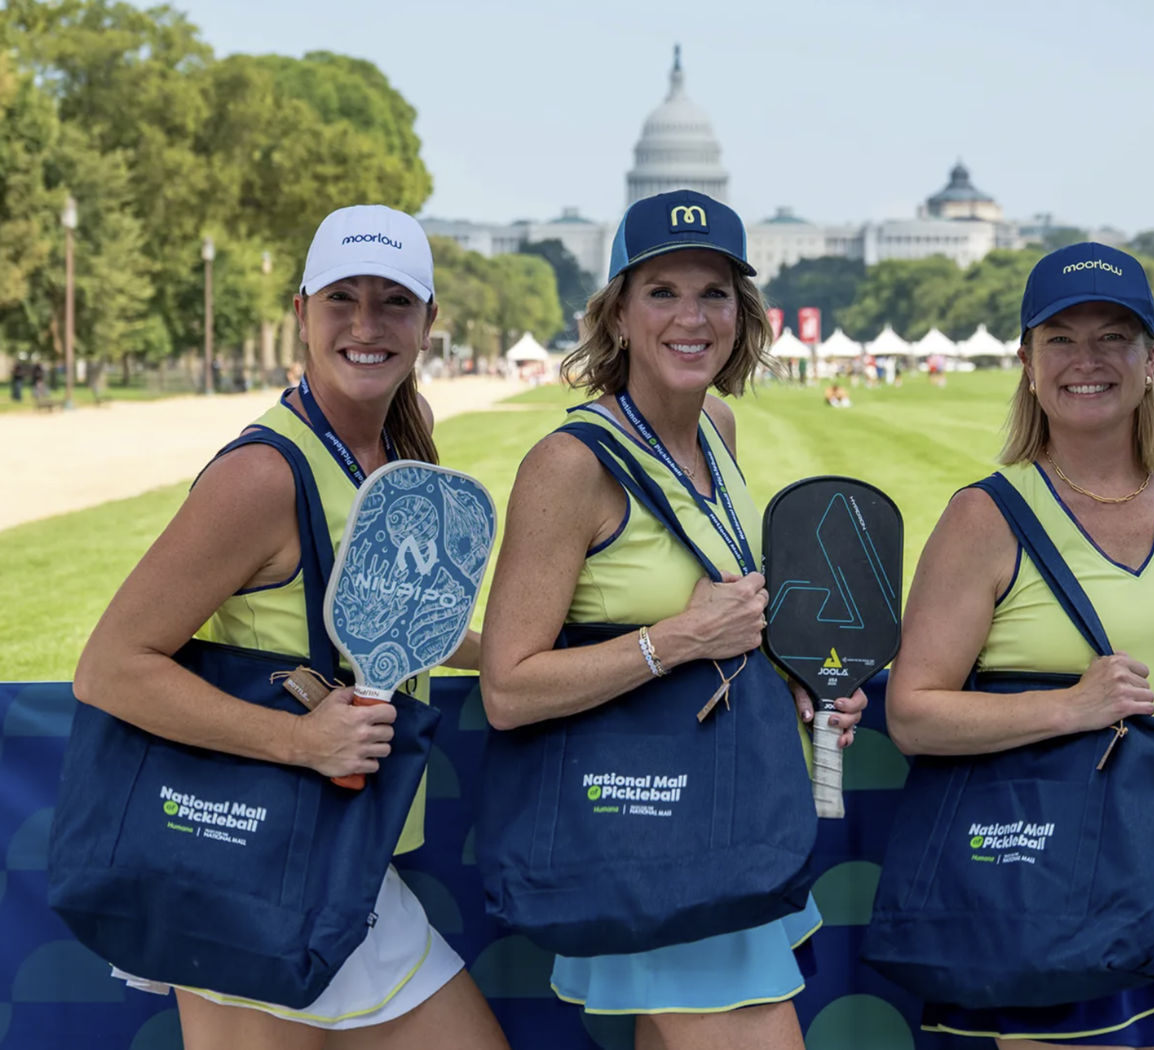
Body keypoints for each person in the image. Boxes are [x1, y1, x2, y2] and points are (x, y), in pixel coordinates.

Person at [73, 205, 510, 1050]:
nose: (366, 323)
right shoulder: (263, 475)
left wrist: (515, 659)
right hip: (253, 857)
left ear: (428, 325)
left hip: (339, 862)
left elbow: (379, 622)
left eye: (394, 302)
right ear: (302, 312)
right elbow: (110, 668)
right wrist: (301, 743)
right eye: (342, 297)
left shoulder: (386, 457)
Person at [886, 243, 1154, 1050]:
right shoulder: (983, 518)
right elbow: (912, 715)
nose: (1088, 361)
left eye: (1114, 336)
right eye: (1061, 339)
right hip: (1050, 889)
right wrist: (1072, 706)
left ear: (1151, 359)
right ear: (1028, 362)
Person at [478, 189, 866, 1050]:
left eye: (713, 293)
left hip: (726, 824)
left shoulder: (717, 429)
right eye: (662, 292)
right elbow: (507, 688)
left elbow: (729, 613)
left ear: (744, 314)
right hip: (648, 837)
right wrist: (679, 639)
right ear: (616, 312)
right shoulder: (569, 465)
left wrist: (798, 675)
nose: (691, 318)